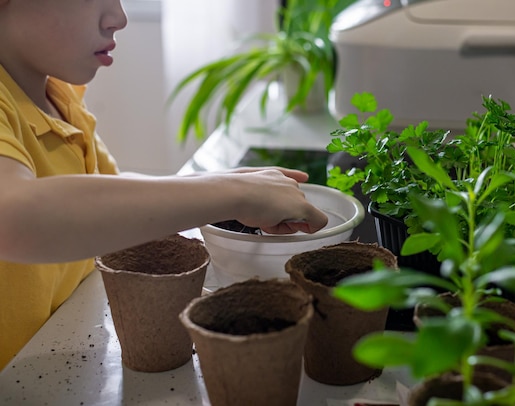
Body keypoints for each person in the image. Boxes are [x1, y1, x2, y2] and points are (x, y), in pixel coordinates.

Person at [0, 0, 328, 370]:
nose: (118, 18)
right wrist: (231, 194)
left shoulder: (58, 95)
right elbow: (15, 217)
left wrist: (219, 187)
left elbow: (109, 193)